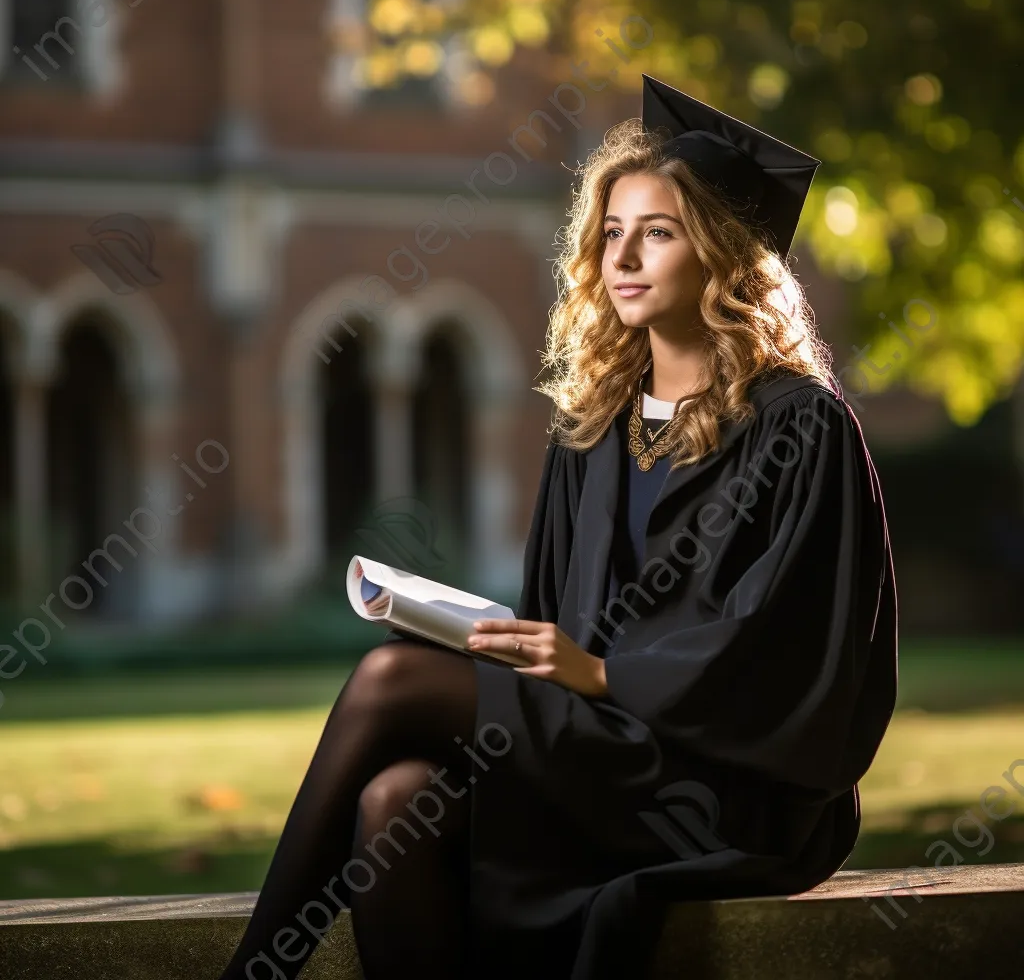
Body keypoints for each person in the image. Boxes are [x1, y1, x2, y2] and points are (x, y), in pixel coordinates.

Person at [217, 74, 898, 980]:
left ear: (724, 255)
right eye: (612, 233)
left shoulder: (798, 426)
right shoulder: (596, 427)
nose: (624, 257)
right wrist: (504, 644)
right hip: (598, 753)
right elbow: (556, 618)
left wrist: (608, 673)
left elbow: (792, 651)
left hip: (723, 783)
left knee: (388, 680)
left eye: (658, 232)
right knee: (394, 801)